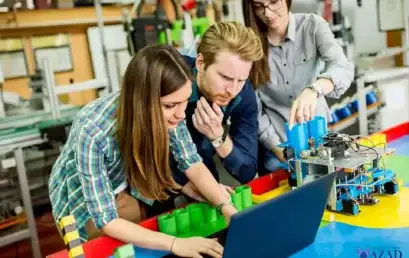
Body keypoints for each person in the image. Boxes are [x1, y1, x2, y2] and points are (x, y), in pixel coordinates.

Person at [48, 44, 237, 257]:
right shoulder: (92, 130)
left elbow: (190, 161)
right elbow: (106, 219)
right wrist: (176, 244)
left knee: (134, 243)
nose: (180, 114)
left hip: (124, 180)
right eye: (169, 106)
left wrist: (226, 208)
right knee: (102, 246)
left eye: (184, 102)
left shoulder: (170, 105)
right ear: (142, 102)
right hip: (81, 195)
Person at [242, 0, 355, 175]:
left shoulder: (312, 26)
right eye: (259, 6)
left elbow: (342, 67)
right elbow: (254, 109)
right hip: (277, 146)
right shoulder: (249, 44)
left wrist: (314, 89)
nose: (268, 13)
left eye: (274, 2)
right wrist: (277, 149)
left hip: (319, 139)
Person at [177, 21, 263, 185]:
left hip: (204, 166)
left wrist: (219, 137)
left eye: (241, 80)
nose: (232, 90)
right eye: (226, 78)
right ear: (200, 63)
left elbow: (247, 171)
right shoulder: (171, 76)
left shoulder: (243, 94)